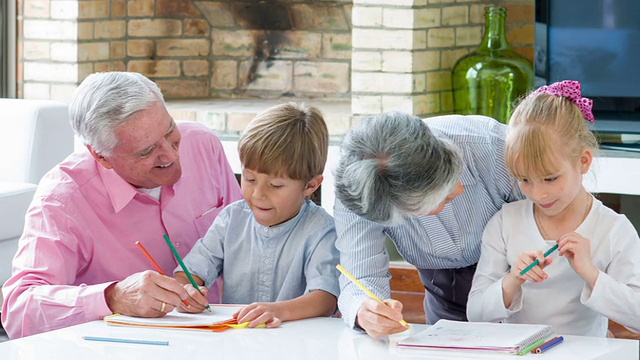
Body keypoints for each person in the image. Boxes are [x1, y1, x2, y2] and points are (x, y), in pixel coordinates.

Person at [0, 72, 243, 339]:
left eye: (169, 130)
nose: (171, 154)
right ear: (101, 156)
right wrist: (113, 297)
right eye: (146, 151)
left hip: (233, 332)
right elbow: (19, 309)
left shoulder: (202, 143)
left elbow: (245, 238)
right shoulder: (61, 201)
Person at [467, 80, 640, 337]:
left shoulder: (614, 229)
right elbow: (476, 313)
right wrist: (513, 279)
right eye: (524, 180)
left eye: (550, 178)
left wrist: (590, 273)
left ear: (583, 162)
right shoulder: (505, 222)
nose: (538, 194)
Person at [333, 111, 521, 338]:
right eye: (443, 199)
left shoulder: (496, 146)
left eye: (454, 176)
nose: (460, 190)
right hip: (442, 294)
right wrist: (366, 310)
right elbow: (360, 275)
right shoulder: (360, 194)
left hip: (524, 284)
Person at [174, 103, 340, 328]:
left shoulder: (322, 230)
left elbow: (325, 299)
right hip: (237, 341)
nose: (258, 194)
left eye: (275, 185)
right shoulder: (231, 218)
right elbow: (192, 271)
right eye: (249, 179)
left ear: (311, 184)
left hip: (297, 344)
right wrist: (187, 291)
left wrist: (278, 310)